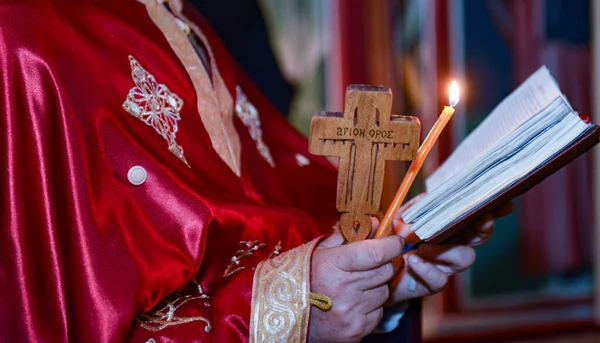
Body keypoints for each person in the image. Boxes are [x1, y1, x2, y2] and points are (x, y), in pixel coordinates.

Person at [0, 0, 512, 342]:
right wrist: (294, 310)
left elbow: (268, 219)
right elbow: (53, 316)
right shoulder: (21, 41)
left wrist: (381, 276)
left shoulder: (181, 20)